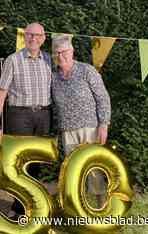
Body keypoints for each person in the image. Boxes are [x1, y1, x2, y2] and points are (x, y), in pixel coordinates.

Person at [0, 22, 52, 219]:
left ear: (43, 38)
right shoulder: (13, 60)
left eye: (37, 35)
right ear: (24, 37)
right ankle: (18, 208)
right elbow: (1, 92)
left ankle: (33, 204)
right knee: (20, 163)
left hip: (43, 115)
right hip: (20, 115)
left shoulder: (49, 60)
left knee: (37, 162)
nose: (33, 38)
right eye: (29, 35)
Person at [51, 34, 111, 206]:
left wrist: (104, 124)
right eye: (57, 53)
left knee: (94, 169)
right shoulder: (54, 77)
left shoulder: (87, 71)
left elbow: (103, 98)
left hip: (90, 129)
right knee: (73, 171)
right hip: (67, 130)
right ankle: (79, 208)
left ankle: (102, 207)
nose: (60, 56)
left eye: (64, 52)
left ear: (72, 51)